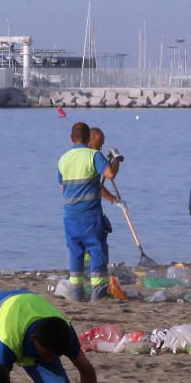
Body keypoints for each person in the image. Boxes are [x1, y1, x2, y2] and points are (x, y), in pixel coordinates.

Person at [58, 122, 120, 300]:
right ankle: (98, 294)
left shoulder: (63, 159)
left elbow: (63, 187)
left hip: (69, 216)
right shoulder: (94, 155)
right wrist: (115, 159)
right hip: (90, 215)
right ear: (88, 138)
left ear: (71, 138)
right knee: (96, 250)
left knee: (76, 253)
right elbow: (110, 174)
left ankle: (76, 294)